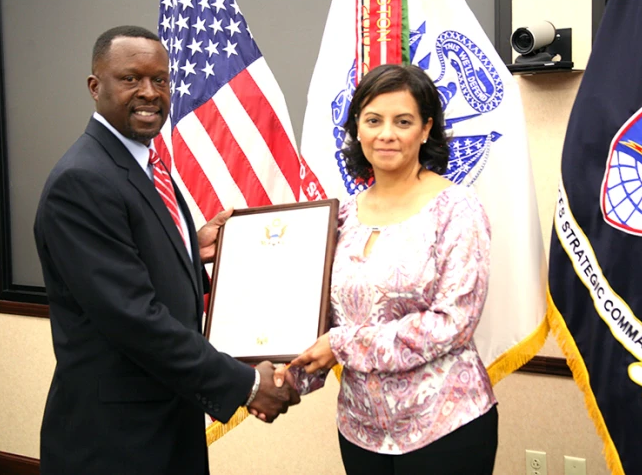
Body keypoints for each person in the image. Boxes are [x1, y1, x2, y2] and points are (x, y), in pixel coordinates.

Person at [34, 25, 299, 475]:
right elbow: (134, 318)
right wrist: (249, 385)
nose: (149, 92)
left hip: (166, 416)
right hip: (116, 438)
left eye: (160, 80)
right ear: (95, 87)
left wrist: (191, 250)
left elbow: (134, 259)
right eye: (131, 79)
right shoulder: (81, 180)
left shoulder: (146, 162)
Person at [282, 64, 498, 474]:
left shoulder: (457, 209)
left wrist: (343, 345)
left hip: (445, 427)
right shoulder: (340, 216)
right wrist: (281, 374)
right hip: (360, 430)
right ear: (357, 129)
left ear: (425, 129)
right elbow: (320, 315)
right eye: (373, 120)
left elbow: (452, 323)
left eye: (403, 121)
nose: (386, 134)